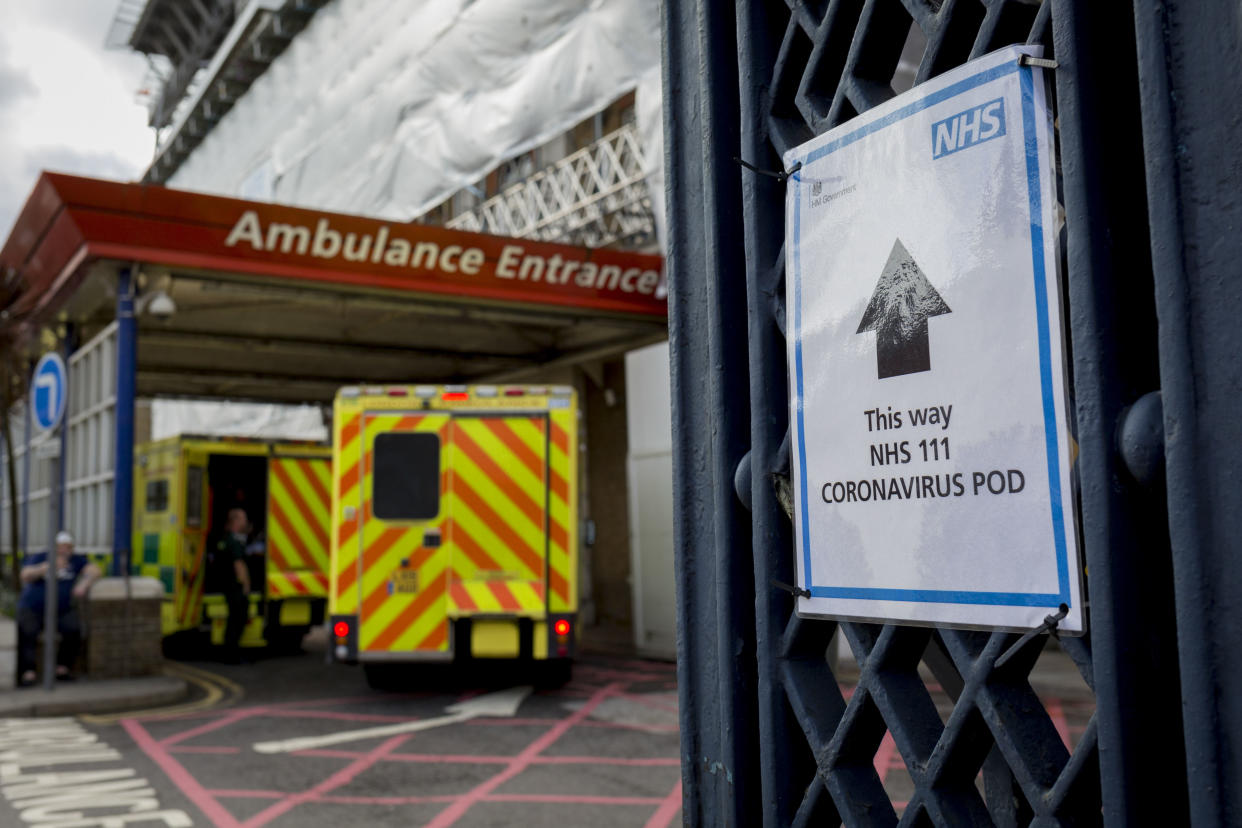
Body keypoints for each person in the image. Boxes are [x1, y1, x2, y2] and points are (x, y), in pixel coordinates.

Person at [17, 531, 101, 686]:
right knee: (27, 633)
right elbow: (25, 575)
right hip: (33, 607)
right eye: (61, 547)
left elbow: (95, 570)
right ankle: (28, 673)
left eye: (68, 547)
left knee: (74, 630)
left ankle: (62, 669)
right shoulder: (41, 556)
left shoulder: (76, 560)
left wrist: (84, 584)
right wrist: (44, 568)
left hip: (62, 609)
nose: (64, 550)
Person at [212, 507, 252, 663]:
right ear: (235, 521)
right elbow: (239, 564)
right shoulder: (234, 541)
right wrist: (246, 584)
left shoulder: (225, 538)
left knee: (233, 620)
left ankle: (230, 653)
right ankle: (232, 655)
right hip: (235, 587)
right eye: (243, 519)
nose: (245, 522)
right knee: (237, 620)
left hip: (226, 585)